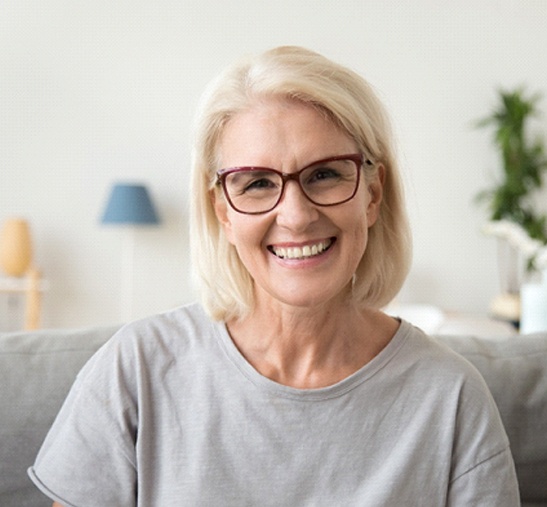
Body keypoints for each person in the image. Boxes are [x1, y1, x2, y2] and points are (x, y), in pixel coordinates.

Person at [28, 46, 520, 506]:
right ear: (222, 210)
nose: (296, 215)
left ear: (372, 194)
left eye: (324, 174)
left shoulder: (451, 397)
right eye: (258, 183)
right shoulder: (134, 370)